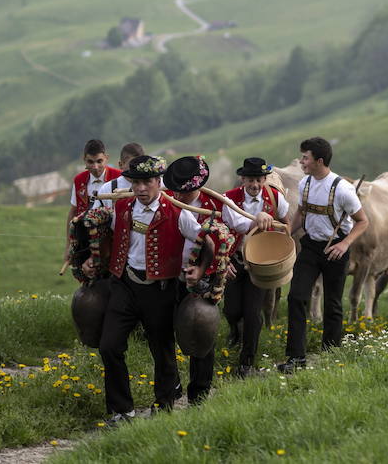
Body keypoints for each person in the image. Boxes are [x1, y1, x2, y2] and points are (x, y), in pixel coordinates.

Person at [86, 156, 203, 425]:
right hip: (124, 285)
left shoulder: (178, 213)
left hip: (160, 290)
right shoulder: (122, 207)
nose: (140, 188)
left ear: (158, 182)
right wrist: (92, 257)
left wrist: (198, 268)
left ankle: (164, 402)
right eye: (136, 182)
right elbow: (100, 233)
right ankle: (122, 409)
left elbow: (206, 238)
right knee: (109, 345)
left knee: (161, 349)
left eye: (146, 182)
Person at [278, 136, 367, 373]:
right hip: (310, 247)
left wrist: (345, 244)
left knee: (333, 304)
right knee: (296, 297)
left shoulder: (343, 190)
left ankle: (331, 355)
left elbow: (362, 222)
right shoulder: (305, 183)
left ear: (319, 160)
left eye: (305, 157)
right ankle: (296, 358)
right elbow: (301, 212)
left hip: (336, 249)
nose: (301, 161)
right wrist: (287, 233)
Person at [162, 155, 228, 406]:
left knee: (202, 331)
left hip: (205, 276)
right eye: (177, 190)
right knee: (164, 330)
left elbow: (237, 227)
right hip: (170, 276)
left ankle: (199, 393)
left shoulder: (217, 203)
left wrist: (223, 261)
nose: (180, 195)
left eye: (186, 191)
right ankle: (171, 385)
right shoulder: (167, 200)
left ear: (197, 187)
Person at [222, 157, 288, 376]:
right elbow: (232, 226)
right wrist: (258, 218)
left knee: (253, 313)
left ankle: (246, 363)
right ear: (242, 179)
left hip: (260, 263)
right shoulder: (228, 199)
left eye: (259, 179)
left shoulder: (276, 197)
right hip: (235, 260)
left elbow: (285, 223)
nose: (255, 185)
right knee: (231, 310)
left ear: (264, 179)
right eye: (251, 179)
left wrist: (279, 236)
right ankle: (233, 329)